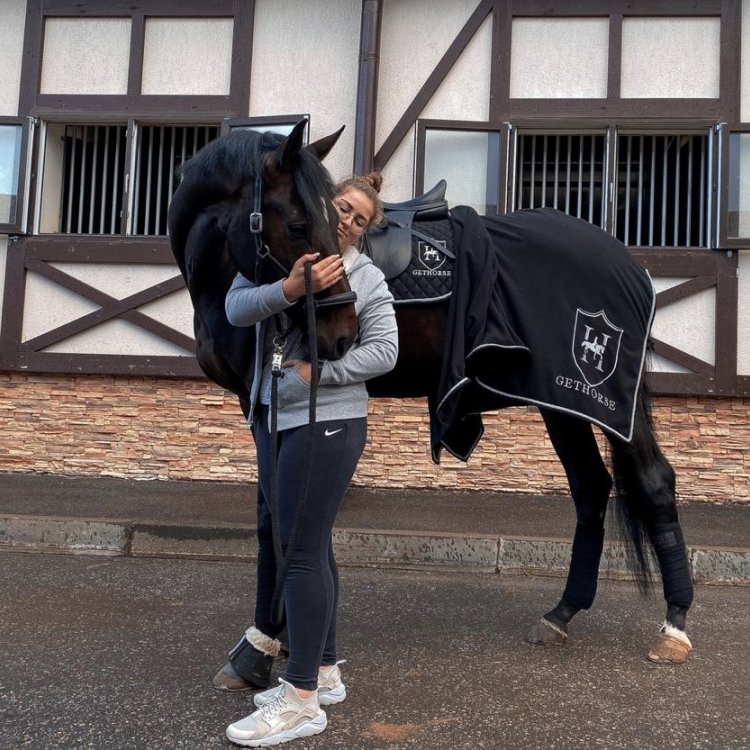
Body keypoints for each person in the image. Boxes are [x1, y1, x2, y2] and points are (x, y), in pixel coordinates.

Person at [219, 172, 398, 747]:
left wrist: (317, 372)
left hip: (329, 421)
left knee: (298, 553)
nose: (347, 222)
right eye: (343, 208)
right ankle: (323, 671)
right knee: (308, 546)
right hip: (273, 418)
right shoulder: (280, 252)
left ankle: (300, 702)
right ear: (324, 204)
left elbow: (386, 351)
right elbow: (235, 308)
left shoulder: (365, 276)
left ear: (363, 232)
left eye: (359, 220)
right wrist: (289, 289)